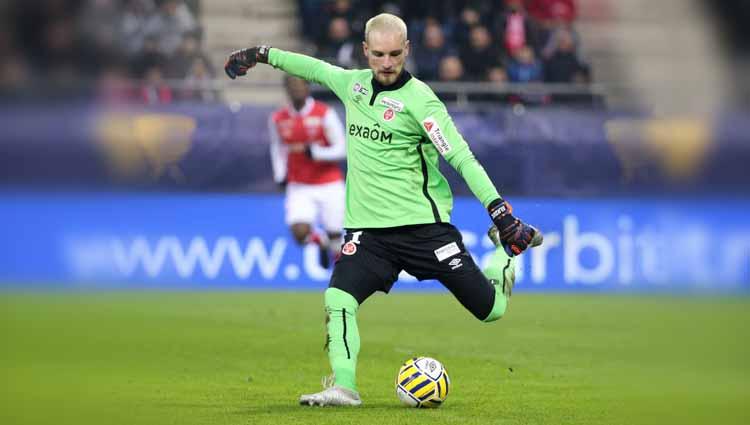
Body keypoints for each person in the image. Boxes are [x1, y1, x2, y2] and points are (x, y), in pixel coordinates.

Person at [225, 13, 542, 407]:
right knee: (338, 299)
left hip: (425, 229)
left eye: (395, 54)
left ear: (407, 50)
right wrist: (262, 54)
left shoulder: (421, 100)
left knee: (491, 310)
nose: (387, 63)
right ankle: (344, 386)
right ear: (365, 52)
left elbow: (461, 158)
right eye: (378, 54)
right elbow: (312, 67)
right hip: (369, 233)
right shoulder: (352, 85)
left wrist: (501, 214)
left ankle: (507, 253)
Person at [268, 75, 347, 269]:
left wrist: (315, 153)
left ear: (307, 87)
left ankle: (339, 276)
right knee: (299, 232)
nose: (296, 89)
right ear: (285, 89)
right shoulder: (278, 118)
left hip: (329, 183)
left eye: (299, 85)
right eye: (291, 85)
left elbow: (343, 149)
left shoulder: (324, 113)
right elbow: (277, 148)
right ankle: (319, 242)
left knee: (336, 235)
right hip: (300, 185)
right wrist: (280, 175)